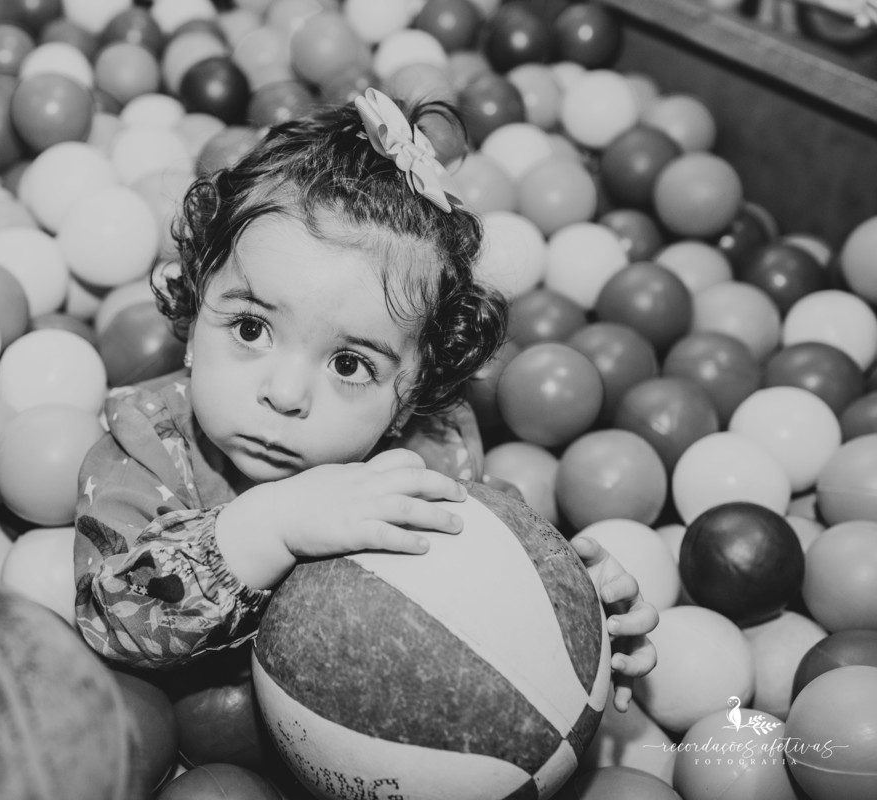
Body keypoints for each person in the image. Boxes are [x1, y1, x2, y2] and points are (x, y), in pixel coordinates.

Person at [74, 88, 658, 712]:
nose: (286, 393)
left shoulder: (427, 459)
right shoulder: (146, 450)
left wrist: (573, 613)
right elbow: (106, 618)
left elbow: (493, 576)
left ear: (409, 401)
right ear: (193, 317)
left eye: (350, 364)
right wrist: (271, 526)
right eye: (251, 329)